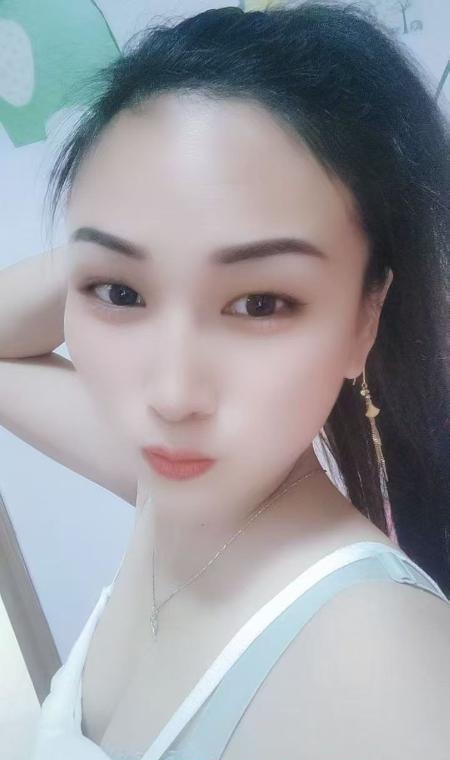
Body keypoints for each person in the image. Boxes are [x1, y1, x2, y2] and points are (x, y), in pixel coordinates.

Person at [0, 3, 448, 759]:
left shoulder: (390, 681)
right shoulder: (172, 497)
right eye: (119, 292)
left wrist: (137, 255)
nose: (172, 397)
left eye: (260, 303)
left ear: (365, 318)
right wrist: (136, 233)